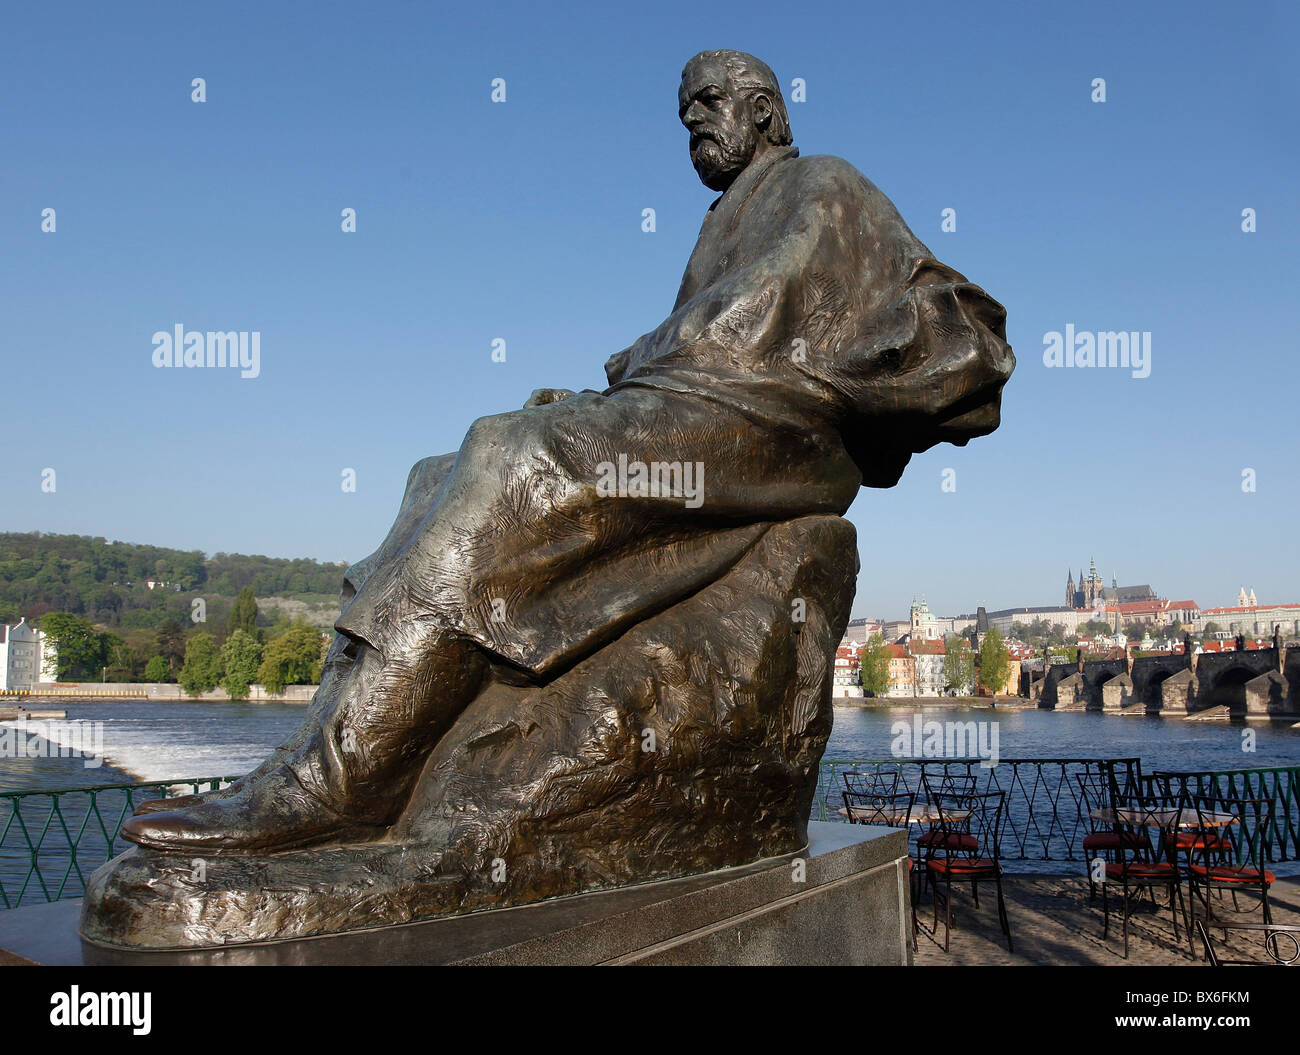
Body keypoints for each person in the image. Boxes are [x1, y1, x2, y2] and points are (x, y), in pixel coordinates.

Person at [124, 50, 1014, 853]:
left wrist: (623, 381)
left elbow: (758, 314)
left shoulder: (823, 183)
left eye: (709, 101)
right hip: (710, 414)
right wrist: (614, 392)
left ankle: (341, 786)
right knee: (436, 474)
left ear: (767, 112)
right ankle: (331, 745)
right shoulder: (720, 221)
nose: (694, 121)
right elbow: (704, 333)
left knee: (512, 457)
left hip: (777, 438)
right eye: (684, 111)